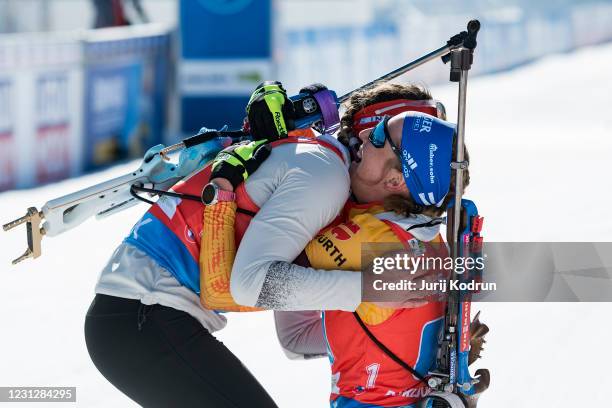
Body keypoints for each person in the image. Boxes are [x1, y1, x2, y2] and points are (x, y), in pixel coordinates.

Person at [85, 80, 437, 407]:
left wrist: (416, 335)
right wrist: (366, 290)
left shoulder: (337, 195)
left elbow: (296, 336)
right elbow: (246, 285)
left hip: (141, 318)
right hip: (146, 314)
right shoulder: (325, 178)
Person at [200, 84, 472, 407]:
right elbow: (296, 338)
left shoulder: (368, 238)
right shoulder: (431, 238)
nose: (365, 141)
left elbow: (240, 285)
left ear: (396, 181)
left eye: (380, 136)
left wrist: (281, 159)